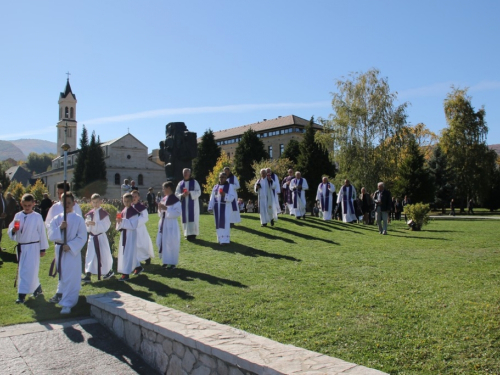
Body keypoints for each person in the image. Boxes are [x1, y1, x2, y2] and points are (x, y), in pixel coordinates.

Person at [47, 192, 87, 314]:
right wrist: (60, 228)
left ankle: (68, 302)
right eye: (64, 203)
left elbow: (82, 237)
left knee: (71, 276)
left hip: (71, 252)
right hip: (60, 251)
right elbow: (50, 234)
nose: (67, 205)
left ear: (73, 203)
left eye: (69, 203)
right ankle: (63, 296)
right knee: (63, 276)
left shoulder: (78, 219)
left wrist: (70, 245)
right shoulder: (57, 218)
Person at [8, 194, 49, 304]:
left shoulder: (37, 217)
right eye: (25, 205)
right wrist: (13, 230)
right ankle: (37, 288)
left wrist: (43, 248)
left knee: (30, 270)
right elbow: (11, 229)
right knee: (23, 270)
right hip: (21, 246)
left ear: (33, 204)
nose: (27, 207)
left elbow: (42, 233)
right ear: (21, 204)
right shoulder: (18, 215)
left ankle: (22, 295)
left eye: (29, 205)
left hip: (33, 247)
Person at [82, 194, 114, 283]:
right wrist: (88, 224)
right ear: (91, 202)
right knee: (90, 255)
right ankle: (88, 274)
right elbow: (86, 225)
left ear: (100, 202)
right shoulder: (90, 213)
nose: (95, 204)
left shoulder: (104, 214)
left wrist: (96, 224)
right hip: (92, 237)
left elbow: (106, 225)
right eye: (94, 202)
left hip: (100, 237)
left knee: (104, 255)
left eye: (97, 202)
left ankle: (108, 271)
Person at [157, 181, 182, 269]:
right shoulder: (164, 199)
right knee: (164, 242)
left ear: (169, 188)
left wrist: (166, 209)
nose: (163, 190)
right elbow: (161, 213)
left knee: (172, 242)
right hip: (164, 223)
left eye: (164, 188)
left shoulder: (175, 200)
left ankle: (172, 262)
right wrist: (160, 209)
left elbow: (177, 213)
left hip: (171, 223)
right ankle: (166, 261)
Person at [116, 193, 140, 281]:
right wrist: (119, 222)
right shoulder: (123, 210)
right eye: (124, 201)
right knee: (128, 252)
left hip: (130, 234)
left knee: (128, 252)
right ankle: (138, 266)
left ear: (131, 201)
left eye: (128, 201)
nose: (126, 203)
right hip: (124, 234)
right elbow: (120, 224)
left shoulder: (133, 212)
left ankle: (125, 273)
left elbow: (133, 225)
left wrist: (122, 221)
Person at [208, 173, 236, 245]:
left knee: (225, 223)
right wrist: (210, 207)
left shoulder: (229, 186)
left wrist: (225, 195)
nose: (221, 178)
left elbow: (232, 197)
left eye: (223, 177)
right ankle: (220, 238)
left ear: (226, 178)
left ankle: (225, 240)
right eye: (220, 177)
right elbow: (212, 197)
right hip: (217, 207)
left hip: (225, 207)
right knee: (218, 223)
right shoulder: (215, 187)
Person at [175, 168, 201, 240]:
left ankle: (193, 234)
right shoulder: (180, 183)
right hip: (184, 205)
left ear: (190, 174)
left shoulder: (195, 182)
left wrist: (190, 193)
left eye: (187, 172)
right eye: (184, 173)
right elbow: (176, 193)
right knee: (185, 218)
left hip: (193, 205)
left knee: (194, 218)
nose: (185, 174)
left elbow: (199, 192)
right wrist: (182, 195)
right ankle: (187, 234)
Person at [131, 190, 154, 269]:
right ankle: (136, 259)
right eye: (132, 196)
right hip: (131, 229)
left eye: (135, 196)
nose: (134, 198)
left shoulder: (141, 206)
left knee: (141, 243)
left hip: (140, 228)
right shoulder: (129, 206)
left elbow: (145, 217)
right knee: (134, 244)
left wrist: (136, 222)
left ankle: (146, 257)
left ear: (138, 197)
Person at [0, 183, 6, 251]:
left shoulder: (2, 196)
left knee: (0, 233)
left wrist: (5, 213)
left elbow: (4, 205)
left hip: (2, 218)